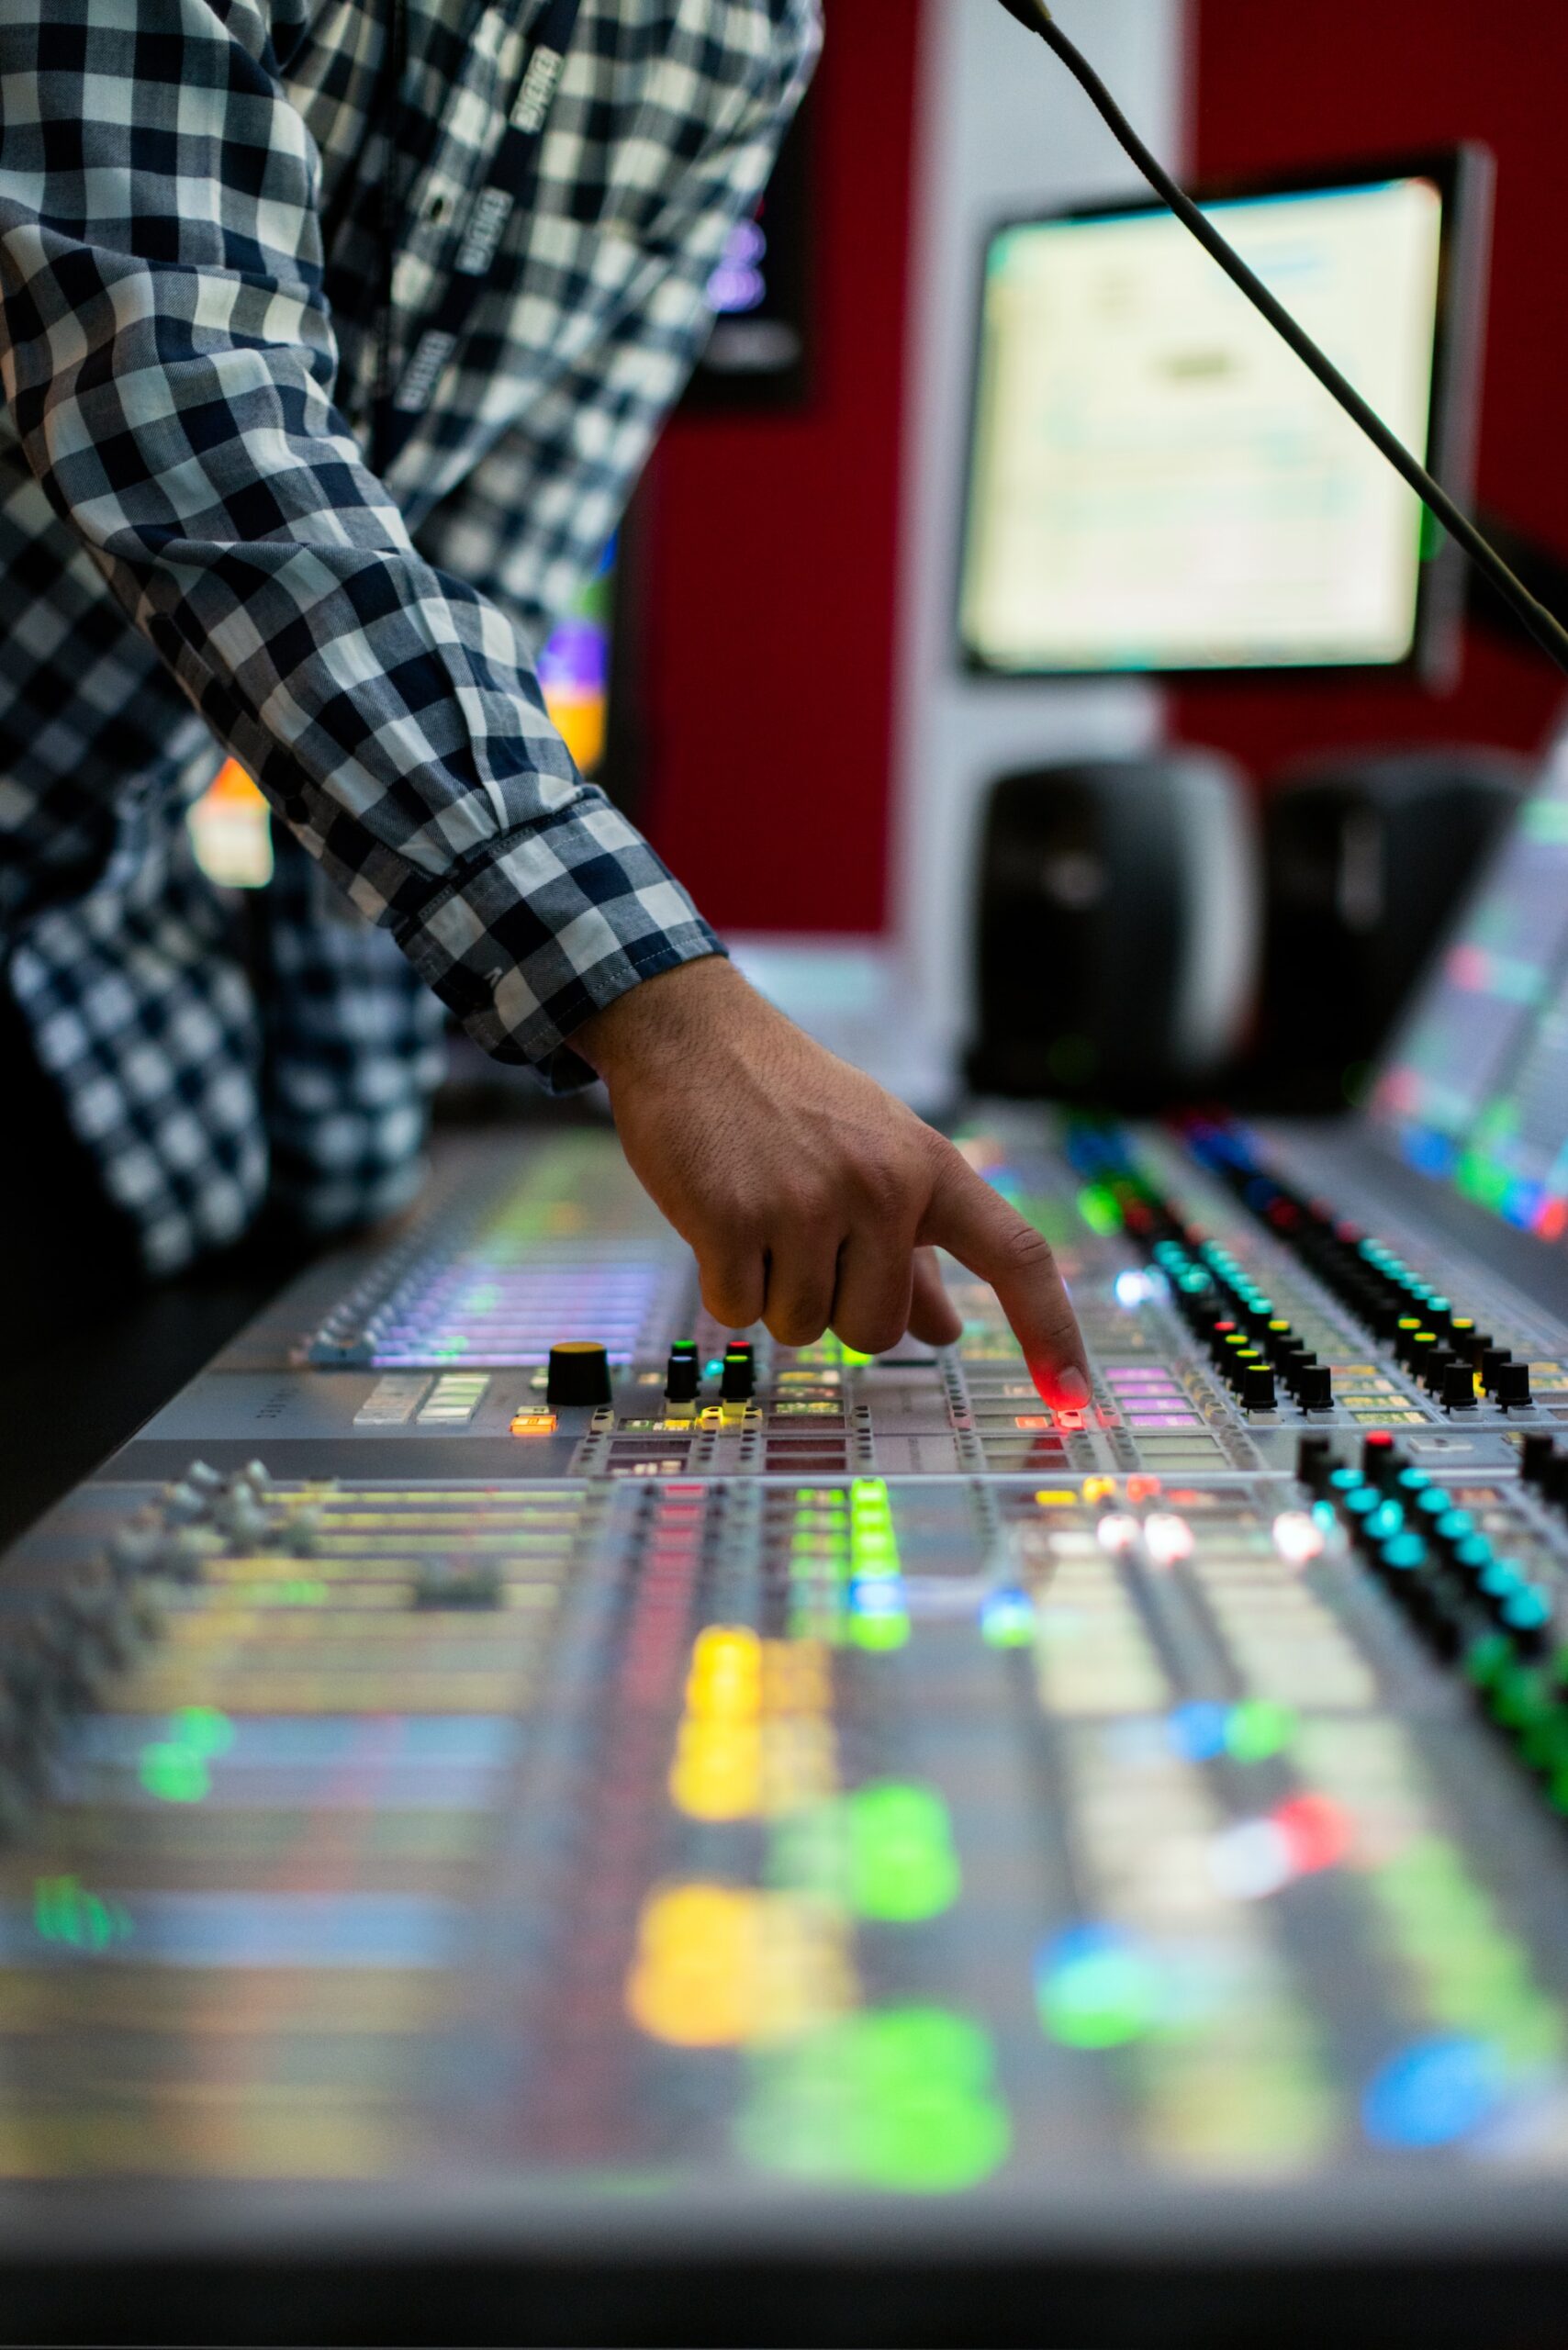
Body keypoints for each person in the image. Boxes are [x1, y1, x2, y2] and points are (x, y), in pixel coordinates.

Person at [0, 0, 1089, 1404]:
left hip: (97, 995)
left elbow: (478, 587)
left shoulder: (745, 40)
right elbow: (180, 409)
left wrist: (350, 1173)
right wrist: (664, 1009)